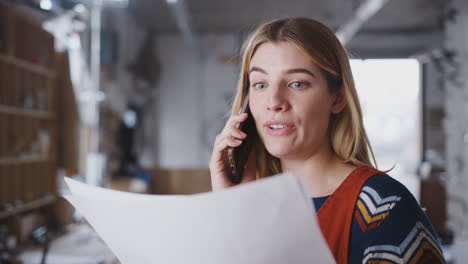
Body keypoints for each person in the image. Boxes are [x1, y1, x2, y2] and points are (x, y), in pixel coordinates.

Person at [209, 17, 445, 264]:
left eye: (297, 83)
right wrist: (231, 211)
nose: (274, 101)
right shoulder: (250, 210)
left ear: (338, 98)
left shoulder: (384, 209)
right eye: (260, 84)